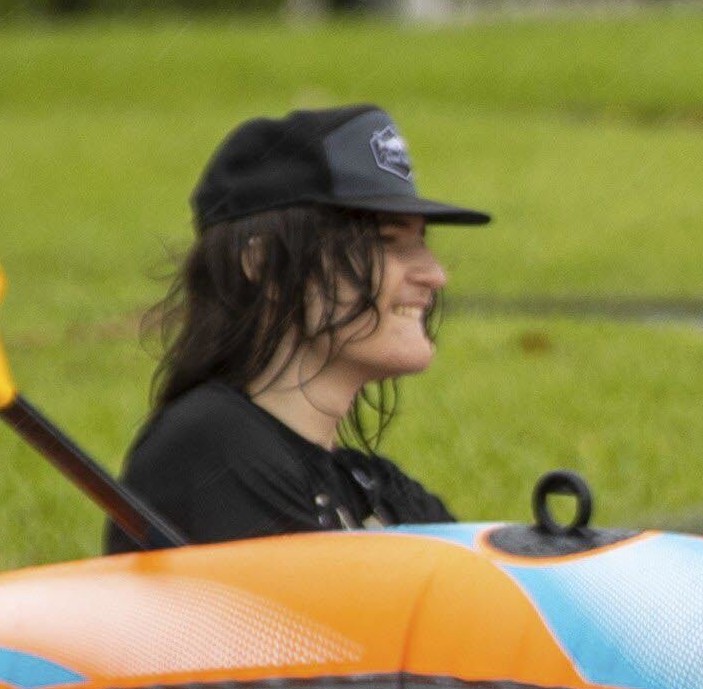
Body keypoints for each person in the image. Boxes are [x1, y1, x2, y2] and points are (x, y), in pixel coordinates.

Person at [110, 104, 490, 552]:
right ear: (263, 262)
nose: (433, 274)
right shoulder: (210, 453)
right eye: (387, 242)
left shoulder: (372, 489)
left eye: (421, 242)